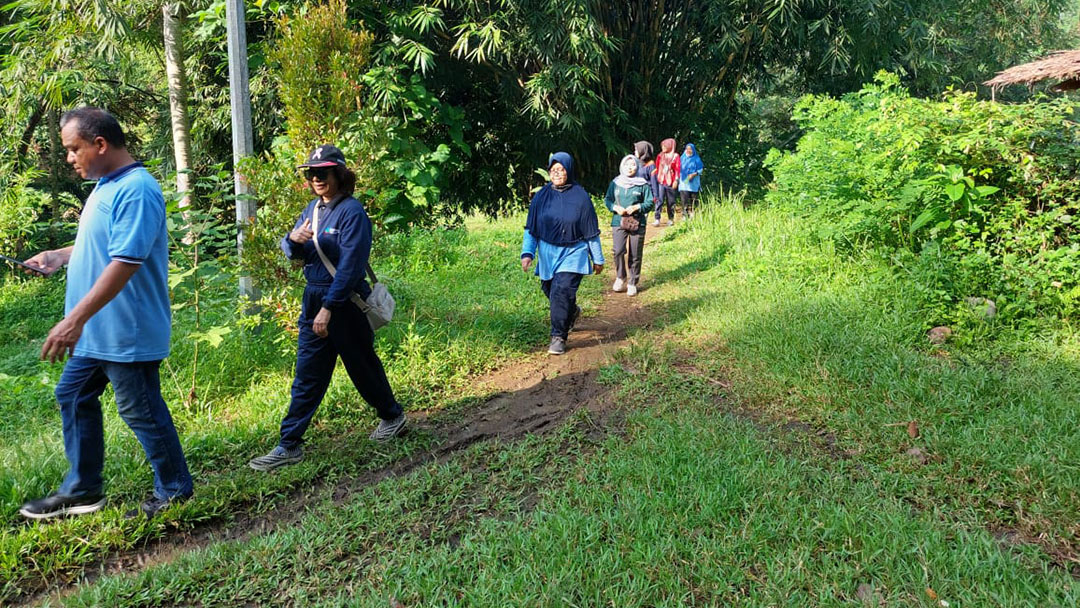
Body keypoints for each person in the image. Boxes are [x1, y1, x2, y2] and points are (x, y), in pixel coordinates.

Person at [19, 107, 193, 520]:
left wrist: (73, 319)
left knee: (140, 410)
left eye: (73, 148)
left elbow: (126, 261)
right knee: (73, 394)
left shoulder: (137, 189)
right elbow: (102, 246)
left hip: (125, 331)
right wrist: (59, 256)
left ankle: (174, 491)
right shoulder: (104, 187)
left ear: (100, 144)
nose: (69, 158)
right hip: (97, 332)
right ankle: (83, 489)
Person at [249, 144, 406, 471]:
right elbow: (293, 251)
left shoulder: (352, 212)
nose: (317, 178)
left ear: (340, 174)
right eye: (312, 173)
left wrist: (329, 308)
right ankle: (289, 444)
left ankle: (392, 416)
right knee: (307, 374)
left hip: (343, 302)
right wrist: (292, 240)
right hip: (313, 298)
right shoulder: (312, 210)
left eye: (324, 172)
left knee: (361, 366)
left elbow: (351, 265)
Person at [521, 152, 605, 356]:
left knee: (561, 291)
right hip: (548, 253)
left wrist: (598, 258)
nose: (557, 173)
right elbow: (531, 228)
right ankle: (572, 311)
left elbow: (590, 231)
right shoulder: (541, 197)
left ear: (569, 170)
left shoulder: (580, 196)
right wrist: (527, 252)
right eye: (553, 170)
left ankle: (558, 336)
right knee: (550, 289)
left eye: (561, 169)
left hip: (574, 252)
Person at [604, 155, 654, 297]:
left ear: (637, 167)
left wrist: (638, 207)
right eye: (627, 165)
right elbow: (607, 199)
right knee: (618, 250)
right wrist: (615, 207)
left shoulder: (642, 184)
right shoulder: (615, 183)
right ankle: (620, 277)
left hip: (638, 222)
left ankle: (632, 282)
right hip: (618, 221)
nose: (630, 168)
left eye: (633, 165)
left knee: (635, 253)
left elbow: (650, 202)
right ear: (622, 166)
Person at [653, 138, 680, 226]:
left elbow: (677, 169)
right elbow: (656, 167)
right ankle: (657, 218)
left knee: (671, 201)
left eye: (665, 146)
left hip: (671, 182)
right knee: (659, 200)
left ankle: (671, 218)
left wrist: (676, 180)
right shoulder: (660, 155)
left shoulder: (676, 156)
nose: (663, 148)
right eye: (662, 146)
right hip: (661, 181)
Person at [678, 143, 704, 219]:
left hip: (693, 183)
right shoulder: (682, 158)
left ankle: (693, 214)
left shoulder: (697, 159)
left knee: (694, 199)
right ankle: (685, 215)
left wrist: (694, 174)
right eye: (687, 149)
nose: (688, 151)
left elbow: (701, 169)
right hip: (684, 182)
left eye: (690, 149)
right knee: (684, 198)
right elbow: (678, 168)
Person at [633, 140, 660, 212]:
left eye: (636, 150)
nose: (635, 152)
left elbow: (654, 182)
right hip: (635, 193)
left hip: (646, 194)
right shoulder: (635, 163)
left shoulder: (651, 165)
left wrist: (655, 196)